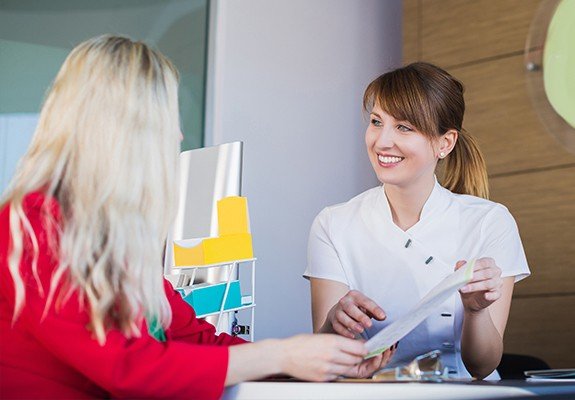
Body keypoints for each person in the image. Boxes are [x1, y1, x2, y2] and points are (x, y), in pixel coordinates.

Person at [0, 35, 393, 399]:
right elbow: (127, 366)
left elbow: (198, 342)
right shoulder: (32, 225)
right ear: (126, 132)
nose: (178, 138)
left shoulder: (109, 239)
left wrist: (320, 360)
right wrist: (281, 355)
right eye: (167, 121)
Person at [304, 62, 530, 380]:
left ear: (445, 143)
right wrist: (335, 322)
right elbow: (326, 358)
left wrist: (476, 311)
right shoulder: (333, 223)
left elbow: (482, 365)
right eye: (376, 122)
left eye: (404, 127)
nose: (382, 141)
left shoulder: (489, 222)